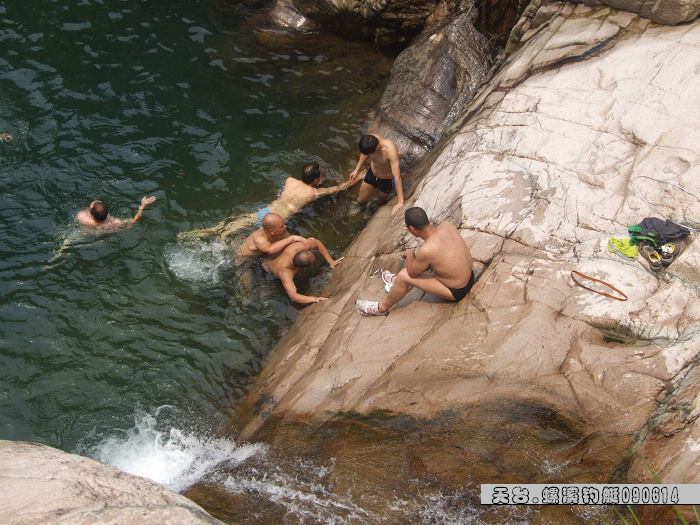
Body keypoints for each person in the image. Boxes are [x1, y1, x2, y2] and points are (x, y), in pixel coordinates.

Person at [178, 161, 360, 242]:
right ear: (315, 179)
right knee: (248, 238)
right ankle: (221, 242)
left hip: (264, 212)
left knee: (235, 224)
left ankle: (205, 232)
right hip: (274, 222)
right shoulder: (313, 193)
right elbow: (339, 188)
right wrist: (358, 177)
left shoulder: (290, 180)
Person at [356, 207, 474, 315]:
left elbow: (412, 273)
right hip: (470, 276)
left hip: (457, 290)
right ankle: (394, 281)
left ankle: (381, 308)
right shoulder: (447, 225)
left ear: (412, 228)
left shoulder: (427, 250)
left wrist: (410, 254)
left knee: (404, 276)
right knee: (429, 262)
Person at [262, 236, 344, 304]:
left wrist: (331, 261)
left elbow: (317, 243)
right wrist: (314, 299)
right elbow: (293, 297)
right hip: (267, 271)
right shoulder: (286, 273)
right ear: (304, 268)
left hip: (275, 257)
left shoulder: (297, 247)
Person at [348, 134, 404, 216]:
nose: (368, 156)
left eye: (370, 154)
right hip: (372, 174)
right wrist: (356, 170)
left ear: (376, 148)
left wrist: (400, 201)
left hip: (387, 180)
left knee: (379, 201)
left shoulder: (390, 150)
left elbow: (397, 176)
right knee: (361, 200)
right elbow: (364, 154)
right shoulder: (369, 141)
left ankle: (371, 207)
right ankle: (362, 208)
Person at [239, 212, 308, 258]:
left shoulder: (281, 231)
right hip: (246, 259)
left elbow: (293, 240)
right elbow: (270, 250)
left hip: (262, 255)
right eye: (281, 226)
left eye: (284, 224)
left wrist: (306, 241)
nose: (285, 226)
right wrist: (291, 238)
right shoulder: (259, 238)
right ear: (272, 231)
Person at [76, 196, 157, 232]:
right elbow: (133, 222)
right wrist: (142, 206)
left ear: (92, 216)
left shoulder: (82, 217)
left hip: (86, 233)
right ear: (108, 213)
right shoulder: (114, 223)